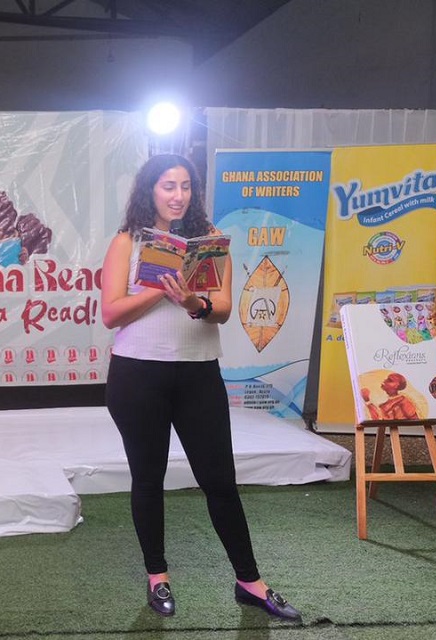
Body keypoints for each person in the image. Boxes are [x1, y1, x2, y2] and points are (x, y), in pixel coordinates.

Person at [100, 153, 301, 621]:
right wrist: (161, 288)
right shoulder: (128, 241)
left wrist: (193, 301)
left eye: (186, 186)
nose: (178, 195)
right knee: (148, 478)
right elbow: (110, 313)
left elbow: (224, 310)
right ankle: (157, 577)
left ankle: (250, 582)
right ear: (150, 190)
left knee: (220, 481)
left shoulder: (210, 241)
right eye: (168, 186)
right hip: (137, 375)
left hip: (198, 374)